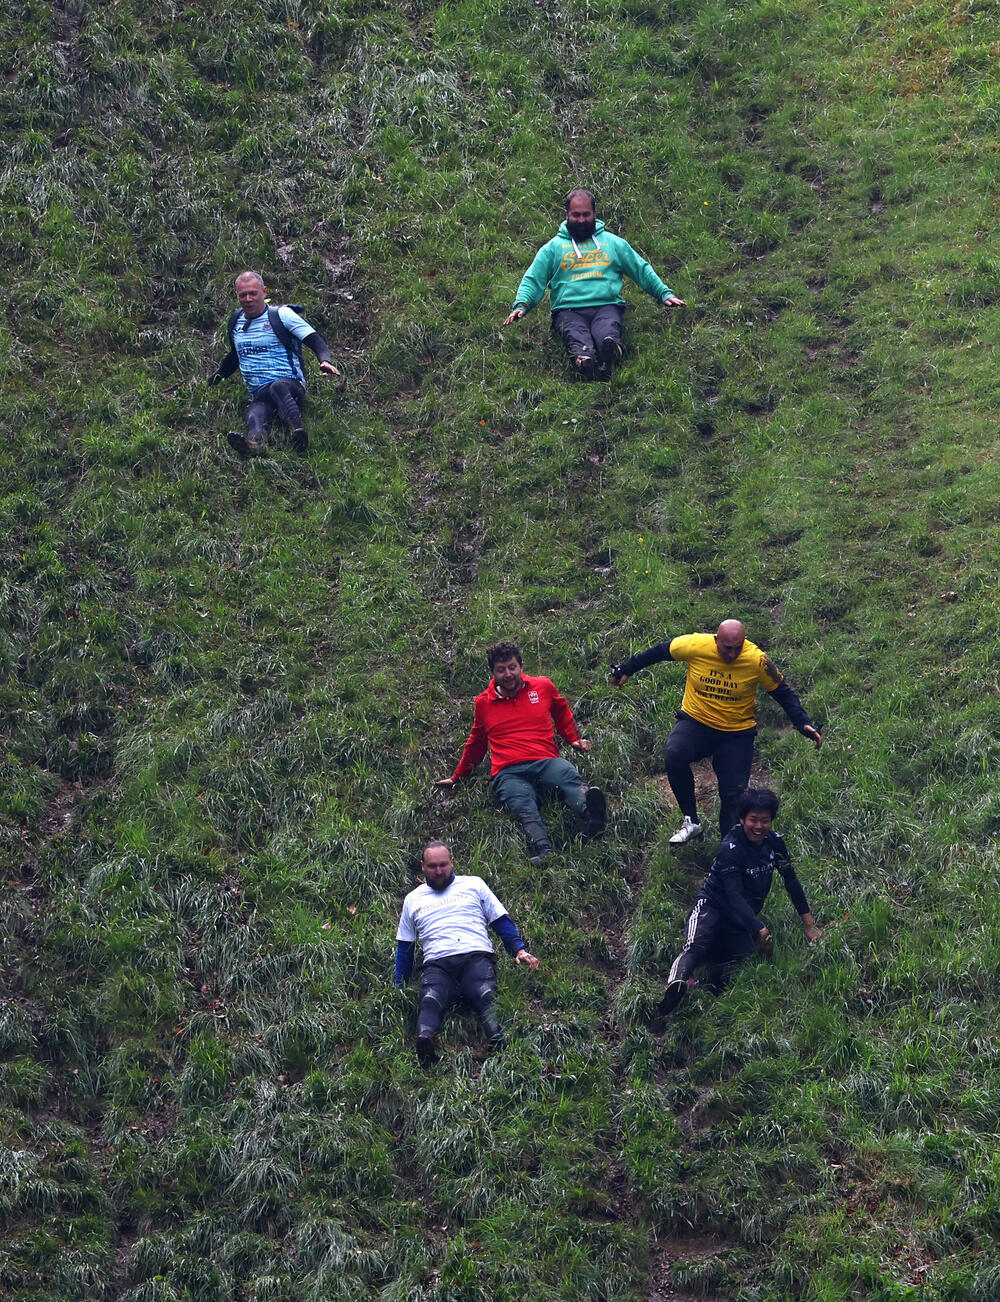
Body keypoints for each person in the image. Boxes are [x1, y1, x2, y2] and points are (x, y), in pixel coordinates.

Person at [610, 620, 822, 843]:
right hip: (697, 723)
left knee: (733, 795)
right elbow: (660, 651)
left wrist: (802, 722)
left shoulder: (756, 659)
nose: (732, 654)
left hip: (736, 733)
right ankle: (691, 822)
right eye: (727, 648)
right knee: (675, 753)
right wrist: (627, 669)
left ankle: (728, 850)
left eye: (737, 648)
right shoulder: (697, 645)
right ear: (716, 640)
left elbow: (782, 691)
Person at [434, 640, 606, 863]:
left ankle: (592, 816)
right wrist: (457, 776)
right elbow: (476, 743)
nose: (508, 674)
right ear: (493, 672)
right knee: (520, 801)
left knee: (566, 774)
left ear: (521, 666)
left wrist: (573, 739)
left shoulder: (543, 687)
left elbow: (561, 710)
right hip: (509, 770)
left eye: (512, 667)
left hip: (545, 760)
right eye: (501, 670)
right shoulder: (483, 703)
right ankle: (544, 850)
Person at [656, 787, 821, 1018]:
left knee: (742, 962)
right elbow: (733, 896)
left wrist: (809, 924)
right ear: (742, 819)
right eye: (753, 820)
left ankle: (701, 988)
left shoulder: (774, 844)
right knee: (697, 943)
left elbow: (791, 880)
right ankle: (678, 980)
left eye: (765, 821)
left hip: (740, 919)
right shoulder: (730, 848)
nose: (759, 826)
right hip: (713, 906)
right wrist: (760, 929)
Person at [502, 189, 685, 377]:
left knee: (607, 331)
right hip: (568, 310)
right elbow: (534, 278)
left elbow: (641, 269)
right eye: (576, 215)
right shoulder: (553, 248)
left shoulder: (613, 243)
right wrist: (522, 304)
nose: (581, 220)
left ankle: (611, 351)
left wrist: (664, 293)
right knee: (575, 335)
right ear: (567, 215)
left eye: (586, 214)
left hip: (606, 306)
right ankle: (583, 359)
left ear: (594, 214)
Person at [395, 840, 539, 1064]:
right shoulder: (413, 899)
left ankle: (497, 1040)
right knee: (431, 999)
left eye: (443, 864)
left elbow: (500, 920)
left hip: (474, 955)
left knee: (485, 993)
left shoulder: (473, 885)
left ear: (452, 863)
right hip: (437, 962)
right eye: (432, 866)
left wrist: (518, 949)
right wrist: (399, 985)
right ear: (422, 867)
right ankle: (425, 1043)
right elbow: (405, 946)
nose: (439, 870)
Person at [208, 270, 340, 457]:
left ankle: (297, 432)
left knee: (278, 387)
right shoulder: (236, 322)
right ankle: (254, 445)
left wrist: (325, 361)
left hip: (290, 384)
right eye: (242, 295)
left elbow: (314, 340)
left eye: (253, 293)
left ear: (264, 292)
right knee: (254, 413)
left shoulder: (282, 315)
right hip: (260, 391)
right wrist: (214, 379)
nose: (248, 299)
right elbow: (235, 357)